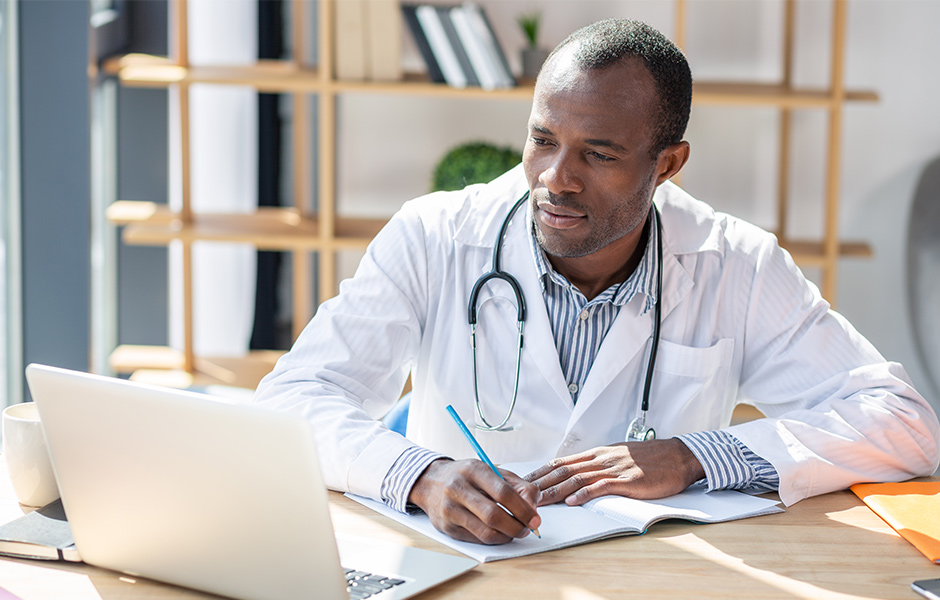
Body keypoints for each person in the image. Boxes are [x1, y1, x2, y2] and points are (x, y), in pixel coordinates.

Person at [253, 19, 940, 545]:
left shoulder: (737, 263)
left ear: (668, 163)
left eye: (599, 153)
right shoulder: (434, 236)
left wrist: (698, 456)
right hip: (463, 569)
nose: (556, 179)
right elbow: (292, 398)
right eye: (543, 139)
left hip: (650, 578)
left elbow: (905, 422)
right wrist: (419, 476)